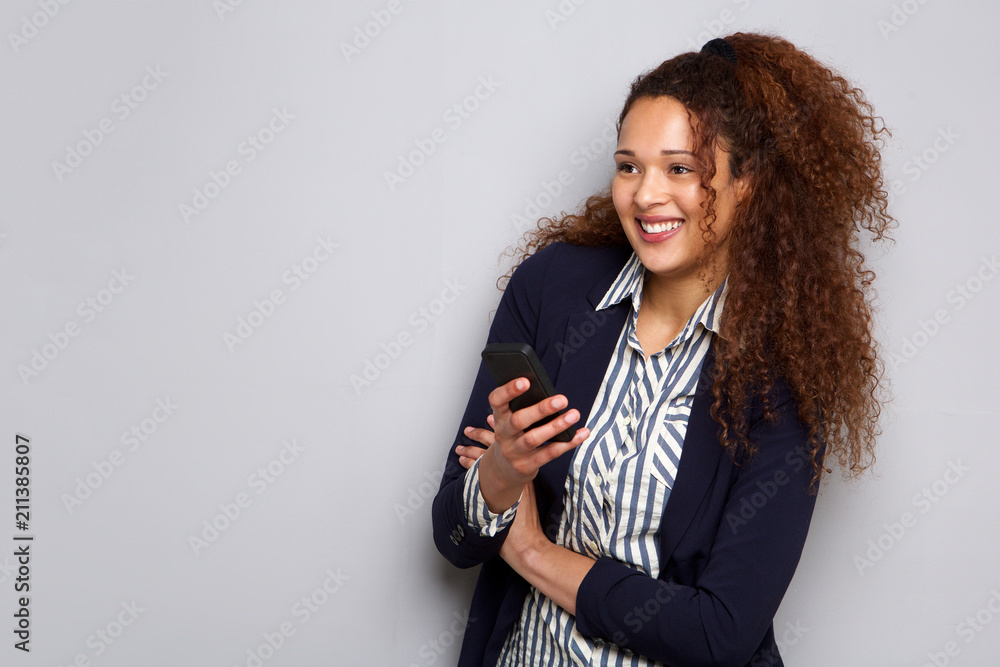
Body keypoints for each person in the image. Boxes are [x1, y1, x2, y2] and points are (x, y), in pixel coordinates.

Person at [432, 32, 891, 667]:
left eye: (681, 169)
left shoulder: (783, 369)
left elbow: (719, 633)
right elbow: (452, 537)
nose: (646, 195)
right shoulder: (551, 288)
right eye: (629, 166)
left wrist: (537, 553)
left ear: (745, 181)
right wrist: (501, 476)